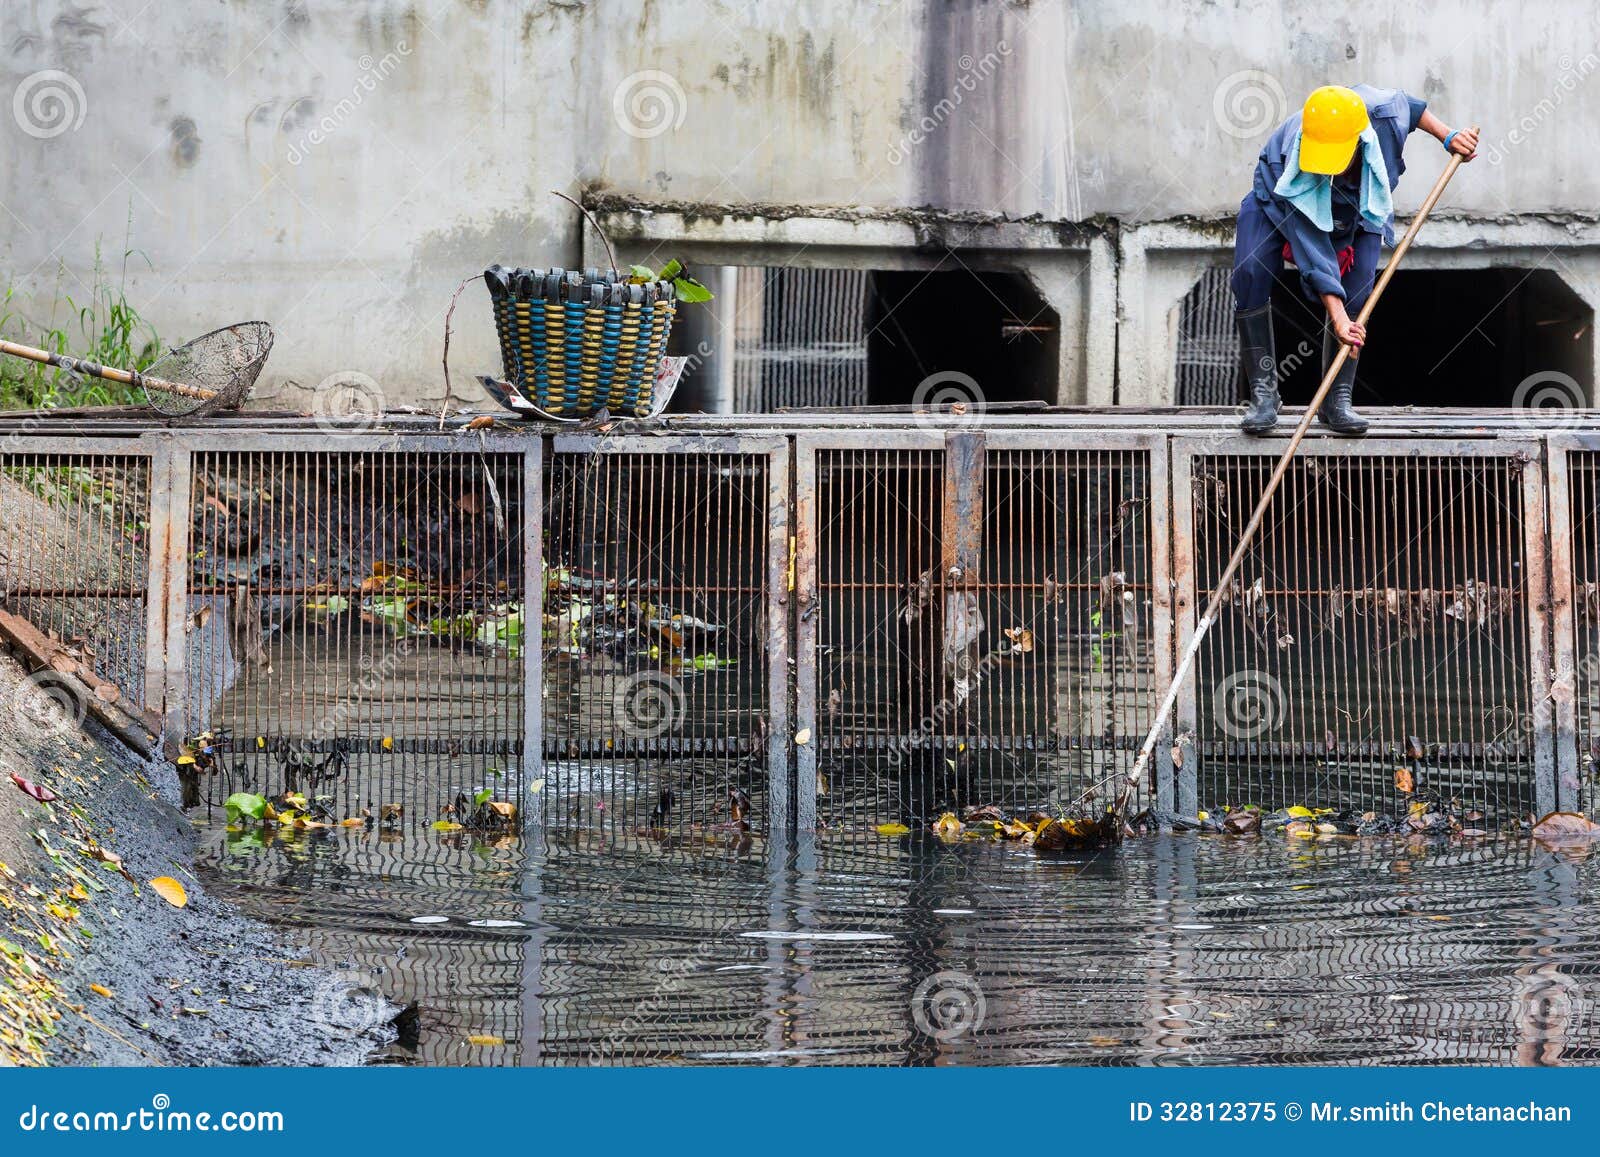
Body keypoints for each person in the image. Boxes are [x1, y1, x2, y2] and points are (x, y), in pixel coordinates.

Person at [1231, 84, 1477, 434]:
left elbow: (1412, 108)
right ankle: (1263, 394)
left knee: (1359, 291)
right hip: (1278, 198)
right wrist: (1338, 316)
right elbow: (1312, 249)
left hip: (1360, 207)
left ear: (1360, 140)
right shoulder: (1296, 160)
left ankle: (1336, 400)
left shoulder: (1384, 113)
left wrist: (1448, 136)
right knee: (1250, 272)